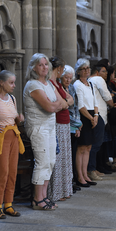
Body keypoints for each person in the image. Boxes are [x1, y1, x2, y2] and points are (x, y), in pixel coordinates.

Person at [23, 53, 67, 210]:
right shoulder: (33, 85)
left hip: (50, 126)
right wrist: (55, 105)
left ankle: (44, 196)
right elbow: (50, 107)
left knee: (50, 162)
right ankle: (37, 199)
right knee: (41, 162)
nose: (44, 67)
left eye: (46, 64)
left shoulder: (48, 84)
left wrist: (55, 105)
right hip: (38, 127)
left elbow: (64, 103)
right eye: (40, 64)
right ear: (34, 67)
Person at [0, 70, 25, 219]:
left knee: (12, 171)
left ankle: (8, 203)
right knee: (2, 171)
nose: (14, 85)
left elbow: (13, 119)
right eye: (11, 82)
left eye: (14, 82)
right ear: (1, 83)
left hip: (13, 136)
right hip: (0, 137)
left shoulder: (12, 99)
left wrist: (19, 119)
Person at [47, 56, 74, 202]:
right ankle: (56, 192)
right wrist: (66, 102)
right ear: (58, 69)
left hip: (64, 123)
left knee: (64, 158)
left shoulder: (57, 83)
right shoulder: (51, 83)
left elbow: (70, 99)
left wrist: (66, 102)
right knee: (58, 159)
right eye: (62, 70)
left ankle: (64, 190)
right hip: (57, 124)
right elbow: (62, 103)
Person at [88, 61, 116, 179]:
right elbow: (107, 97)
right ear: (97, 71)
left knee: (95, 144)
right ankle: (91, 170)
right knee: (96, 144)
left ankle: (93, 168)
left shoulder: (89, 81)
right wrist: (112, 104)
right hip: (98, 114)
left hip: (94, 113)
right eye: (104, 71)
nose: (106, 74)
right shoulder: (98, 80)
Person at [73, 59, 99, 188]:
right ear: (78, 71)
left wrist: (96, 115)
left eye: (88, 68)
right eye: (84, 68)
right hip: (83, 117)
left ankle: (85, 174)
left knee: (88, 147)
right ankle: (80, 176)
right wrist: (90, 118)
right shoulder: (78, 84)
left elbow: (95, 102)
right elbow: (80, 106)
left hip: (91, 117)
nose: (87, 70)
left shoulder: (90, 84)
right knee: (82, 147)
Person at [61, 65, 82, 193]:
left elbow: (76, 107)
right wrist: (77, 123)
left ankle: (71, 181)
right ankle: (66, 183)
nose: (68, 80)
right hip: (65, 125)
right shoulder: (60, 89)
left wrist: (78, 125)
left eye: (70, 78)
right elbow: (65, 109)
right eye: (66, 78)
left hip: (74, 125)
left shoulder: (72, 88)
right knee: (65, 157)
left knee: (72, 156)